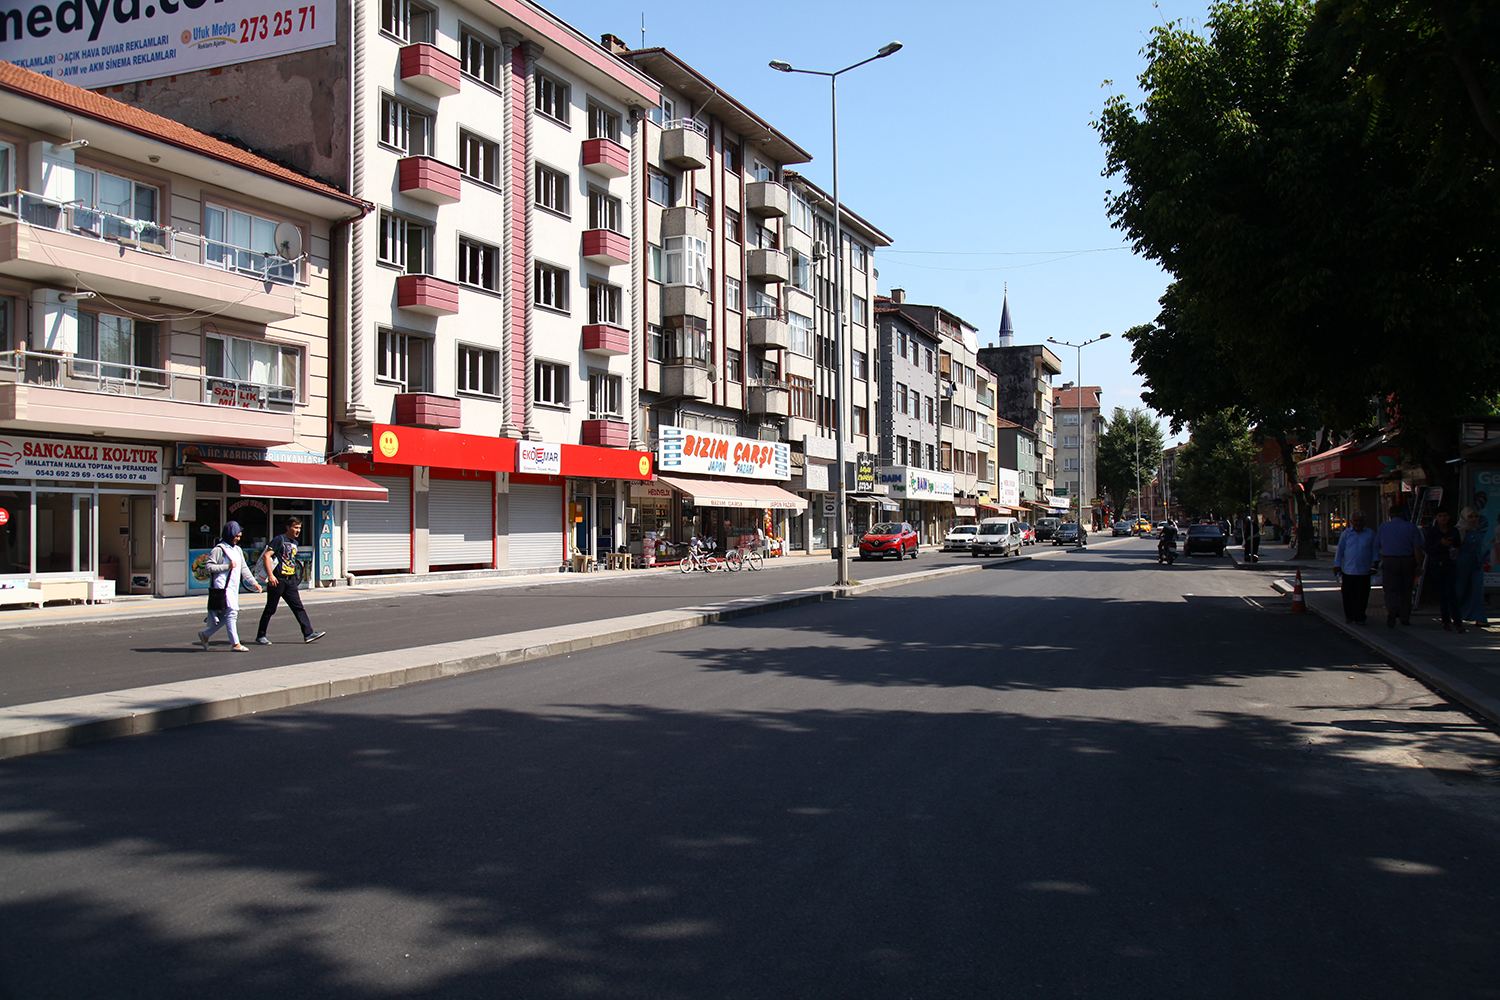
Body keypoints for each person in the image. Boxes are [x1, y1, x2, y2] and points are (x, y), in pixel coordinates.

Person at [255, 517, 326, 645]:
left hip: (290, 581)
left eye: (299, 528)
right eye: (295, 527)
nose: (298, 530)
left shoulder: (295, 543)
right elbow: (267, 556)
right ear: (288, 527)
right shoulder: (279, 540)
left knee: (298, 607)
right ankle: (261, 635)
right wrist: (271, 576)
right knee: (270, 609)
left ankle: (308, 634)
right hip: (278, 580)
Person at [197, 521, 261, 651]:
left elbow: (243, 568)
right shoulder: (219, 549)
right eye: (235, 536)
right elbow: (209, 566)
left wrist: (254, 582)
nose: (237, 539)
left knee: (226, 616)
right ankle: (235, 643)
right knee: (232, 613)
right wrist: (227, 567)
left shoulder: (237, 549)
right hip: (222, 587)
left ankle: (205, 635)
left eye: (239, 536)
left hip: (232, 587)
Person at [1374, 503, 1424, 627]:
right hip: (1407, 560)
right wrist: (1419, 564)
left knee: (1390, 589)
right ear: (1403, 514)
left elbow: (1377, 545)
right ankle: (1405, 617)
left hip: (1390, 560)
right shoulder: (1411, 527)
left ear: (1390, 515)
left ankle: (1392, 610)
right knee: (1406, 590)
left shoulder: (1384, 527)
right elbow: (1417, 548)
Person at [1333, 510, 1377, 624]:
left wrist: (1375, 565)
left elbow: (1375, 550)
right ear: (1351, 522)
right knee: (1348, 595)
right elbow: (1340, 550)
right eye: (1356, 521)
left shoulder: (1370, 534)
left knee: (1362, 596)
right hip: (1349, 570)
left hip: (1364, 570)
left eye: (1360, 521)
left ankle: (1360, 616)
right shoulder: (1346, 534)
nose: (1358, 523)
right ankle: (1349, 615)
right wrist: (1337, 565)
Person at [1423, 509, 1464, 632]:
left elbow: (1459, 545)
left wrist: (1457, 549)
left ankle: (1457, 622)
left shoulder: (1453, 530)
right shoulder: (1432, 531)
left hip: (1450, 564)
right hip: (1436, 564)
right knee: (1441, 594)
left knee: (1451, 593)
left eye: (1445, 515)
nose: (1443, 518)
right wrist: (1441, 544)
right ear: (1436, 517)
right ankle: (1445, 621)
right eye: (1440, 516)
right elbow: (1428, 549)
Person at [1454, 506, 1490, 629]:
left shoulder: (1477, 530)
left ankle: (1480, 617)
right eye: (1470, 516)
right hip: (1463, 562)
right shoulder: (1460, 530)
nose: (1474, 519)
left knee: (1477, 590)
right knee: (1460, 588)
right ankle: (1456, 615)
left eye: (1475, 516)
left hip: (1477, 562)